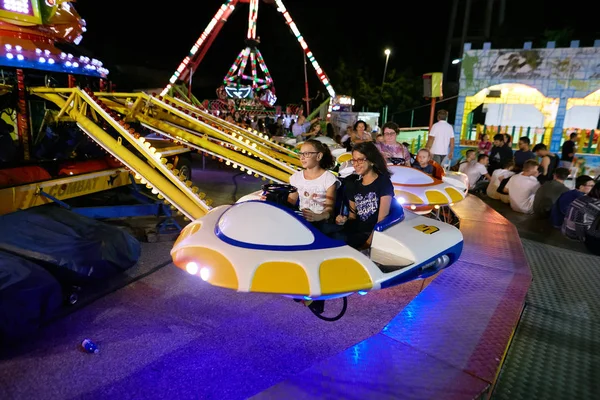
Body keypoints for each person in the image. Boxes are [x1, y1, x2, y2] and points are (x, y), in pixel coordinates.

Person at [334, 142, 394, 249]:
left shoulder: (383, 183)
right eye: (354, 160)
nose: (356, 164)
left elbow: (381, 221)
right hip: (357, 233)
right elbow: (353, 217)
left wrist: (366, 245)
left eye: (360, 160)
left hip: (375, 235)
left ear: (371, 161)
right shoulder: (353, 185)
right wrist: (343, 220)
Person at [287, 140, 338, 230]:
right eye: (301, 154)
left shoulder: (329, 179)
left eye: (306, 154)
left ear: (319, 156)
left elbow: (329, 210)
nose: (302, 158)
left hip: (320, 223)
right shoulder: (296, 177)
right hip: (302, 221)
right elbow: (290, 203)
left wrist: (318, 216)